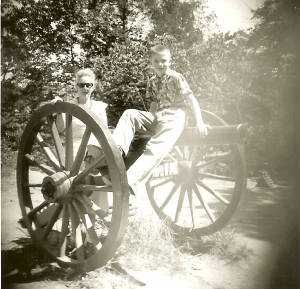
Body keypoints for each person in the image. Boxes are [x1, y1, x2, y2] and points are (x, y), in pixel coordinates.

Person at [100, 45, 207, 191]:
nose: (160, 64)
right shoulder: (151, 81)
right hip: (157, 116)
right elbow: (154, 105)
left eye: (164, 61)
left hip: (174, 116)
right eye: (156, 61)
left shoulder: (176, 77)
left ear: (170, 61)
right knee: (130, 113)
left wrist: (200, 122)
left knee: (155, 147)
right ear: (151, 62)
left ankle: (130, 180)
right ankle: (116, 151)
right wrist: (150, 123)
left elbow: (191, 99)